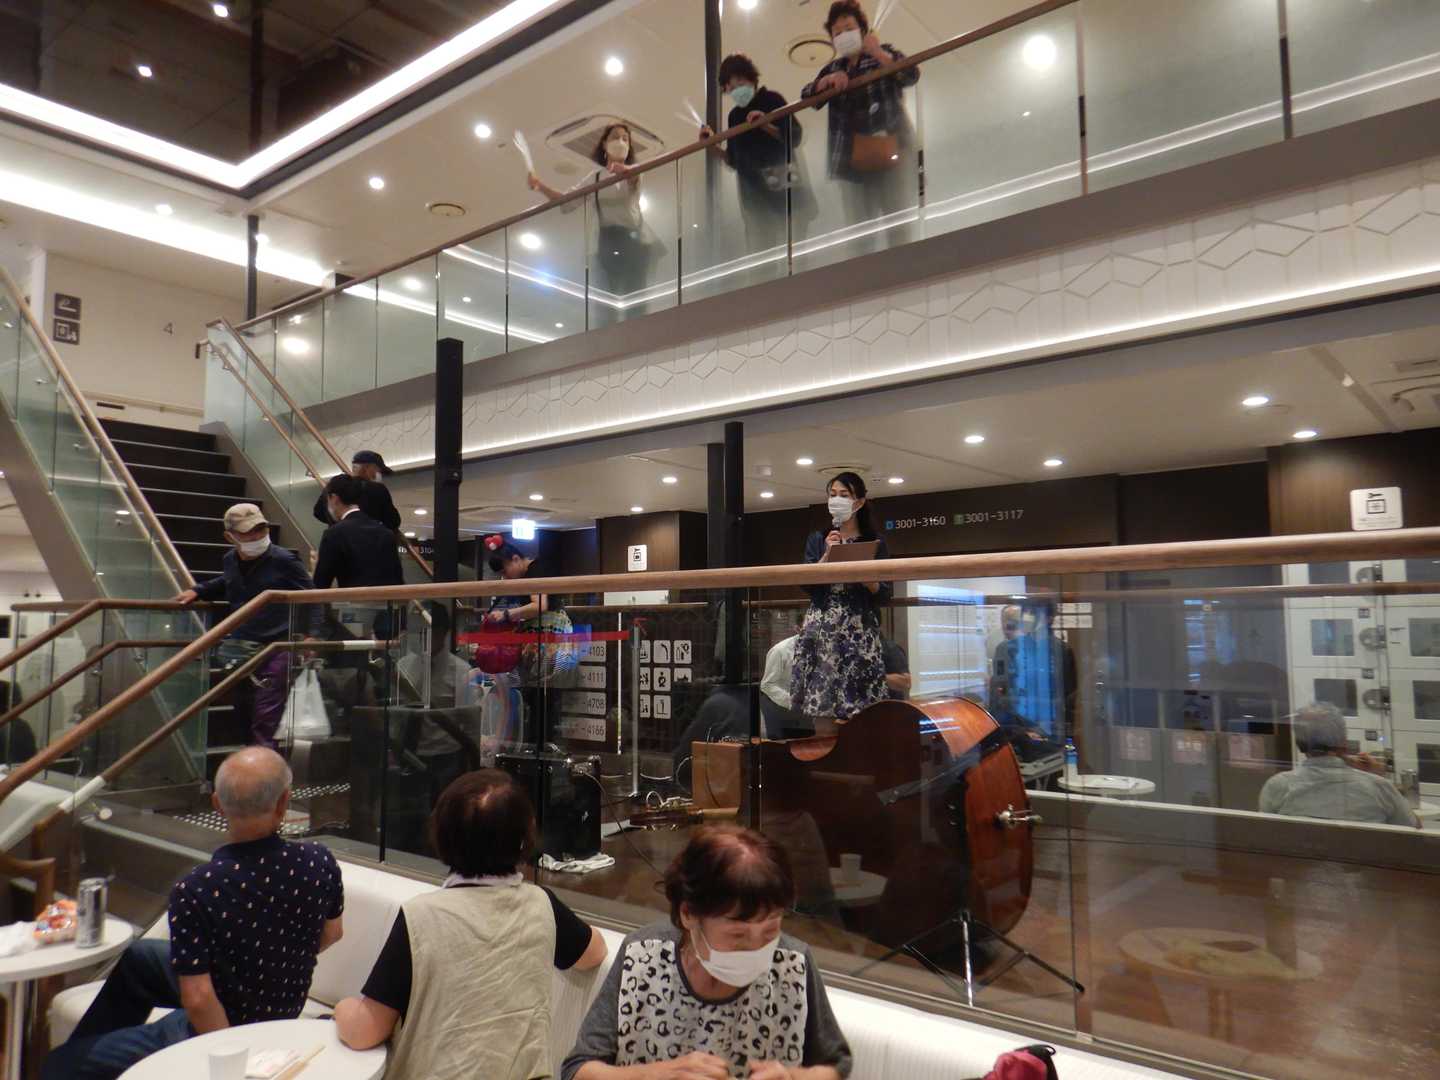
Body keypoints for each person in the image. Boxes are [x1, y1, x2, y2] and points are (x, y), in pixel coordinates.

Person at [43, 748, 344, 1080]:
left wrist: (230, 1059)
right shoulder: (320, 860)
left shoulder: (198, 888)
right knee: (139, 958)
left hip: (230, 1022)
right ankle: (96, 1053)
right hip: (283, 1002)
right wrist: (278, 960)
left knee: (57, 1065)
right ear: (284, 802)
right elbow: (333, 933)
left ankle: (84, 1060)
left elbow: (199, 1000)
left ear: (217, 804)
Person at [335, 770, 607, 1078]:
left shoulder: (421, 916)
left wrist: (341, 1010)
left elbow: (364, 1031)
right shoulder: (542, 903)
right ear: (525, 838)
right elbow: (595, 952)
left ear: (441, 836)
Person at [563, 824, 852, 1079]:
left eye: (770, 931)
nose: (757, 948)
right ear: (688, 914)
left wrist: (792, 1077)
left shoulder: (793, 964)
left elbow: (835, 1065)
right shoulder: (642, 956)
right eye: (738, 935)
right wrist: (656, 1075)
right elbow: (577, 1070)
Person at [175, 503, 319, 749]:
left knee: (267, 710)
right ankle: (251, 757)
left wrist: (312, 635)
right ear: (229, 536)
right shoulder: (230, 559)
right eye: (247, 532)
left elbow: (312, 597)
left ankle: (264, 765)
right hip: (243, 643)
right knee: (242, 706)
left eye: (260, 529)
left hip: (277, 645)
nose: (256, 537)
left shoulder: (284, 560)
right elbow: (228, 580)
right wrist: (199, 590)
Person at [801, 1, 919, 245]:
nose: (843, 35)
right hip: (851, 162)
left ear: (862, 30)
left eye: (849, 28)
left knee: (900, 229)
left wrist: (878, 53)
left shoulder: (884, 53)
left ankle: (906, 265)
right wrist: (826, 82)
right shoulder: (833, 68)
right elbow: (807, 97)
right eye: (837, 32)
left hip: (893, 151)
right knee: (859, 237)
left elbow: (911, 74)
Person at [790, 472, 890, 721]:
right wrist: (827, 555)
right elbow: (806, 584)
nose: (837, 500)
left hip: (858, 628)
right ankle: (825, 745)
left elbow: (885, 593)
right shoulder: (818, 539)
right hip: (821, 628)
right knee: (821, 705)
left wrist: (867, 578)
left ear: (860, 502)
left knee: (860, 709)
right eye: (832, 495)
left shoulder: (876, 541)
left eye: (844, 495)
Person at [528, 123, 659, 313]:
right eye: (615, 137)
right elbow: (567, 200)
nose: (621, 142)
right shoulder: (595, 178)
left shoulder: (635, 170)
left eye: (625, 139)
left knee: (635, 300)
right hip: (607, 241)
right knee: (606, 303)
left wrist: (622, 170)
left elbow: (633, 179)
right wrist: (539, 185)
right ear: (605, 144)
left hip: (633, 241)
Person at [700, 54, 810, 254]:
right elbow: (734, 160)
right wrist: (711, 145)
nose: (736, 90)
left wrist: (766, 124)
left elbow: (795, 137)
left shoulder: (772, 99)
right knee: (761, 254)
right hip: (753, 196)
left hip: (785, 189)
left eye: (740, 83)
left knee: (793, 252)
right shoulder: (734, 116)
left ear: (751, 79)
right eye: (730, 88)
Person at [1259, 703, 1420, 827]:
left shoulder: (1277, 786)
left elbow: (1265, 836)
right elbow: (1414, 832)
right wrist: (1377, 776)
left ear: (1299, 743)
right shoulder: (1378, 788)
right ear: (1344, 742)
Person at [312, 473, 405, 590]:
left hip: (353, 600)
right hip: (387, 600)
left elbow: (321, 584)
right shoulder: (385, 532)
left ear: (334, 499)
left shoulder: (334, 534)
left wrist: (316, 566)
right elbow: (397, 580)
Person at [311, 450, 402, 531]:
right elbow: (393, 521)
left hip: (340, 540)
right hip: (371, 540)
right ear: (367, 468)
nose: (379, 474)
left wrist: (339, 522)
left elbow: (318, 512)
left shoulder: (336, 484)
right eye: (378, 470)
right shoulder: (378, 489)